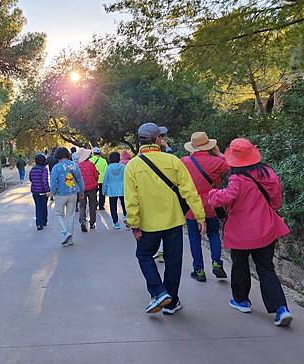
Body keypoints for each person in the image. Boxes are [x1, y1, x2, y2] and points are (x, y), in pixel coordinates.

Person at [208, 138, 293, 327]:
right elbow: (276, 202)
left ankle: (241, 300)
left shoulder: (236, 179)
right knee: (266, 268)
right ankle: (281, 309)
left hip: (241, 232)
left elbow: (225, 197)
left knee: (240, 265)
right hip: (266, 229)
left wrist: (212, 195)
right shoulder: (268, 173)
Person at [125, 122, 206, 315]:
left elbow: (131, 200)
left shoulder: (132, 166)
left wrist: (134, 224)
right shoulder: (173, 161)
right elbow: (189, 191)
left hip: (147, 224)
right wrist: (199, 215)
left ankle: (159, 291)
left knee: (144, 256)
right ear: (158, 139)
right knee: (173, 261)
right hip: (173, 221)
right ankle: (171, 302)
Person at [181, 132, 230, 282]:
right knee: (214, 234)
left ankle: (199, 270)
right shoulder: (217, 162)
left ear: (193, 147)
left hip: (192, 206)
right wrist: (220, 153)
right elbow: (231, 168)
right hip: (212, 204)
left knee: (195, 238)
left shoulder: (184, 161)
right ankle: (216, 262)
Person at [50, 147, 85, 246]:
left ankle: (65, 233)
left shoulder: (56, 167)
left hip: (60, 194)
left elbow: (53, 182)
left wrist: (52, 191)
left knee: (59, 214)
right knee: (70, 216)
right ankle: (70, 240)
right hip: (73, 193)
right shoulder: (74, 165)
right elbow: (79, 178)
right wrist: (82, 190)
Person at [77, 148, 99, 232]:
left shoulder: (78, 166)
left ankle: (82, 220)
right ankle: (92, 223)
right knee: (92, 205)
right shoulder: (91, 164)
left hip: (82, 189)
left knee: (82, 205)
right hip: (92, 188)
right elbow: (96, 176)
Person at [102, 151, 126, 230]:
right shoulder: (123, 167)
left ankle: (116, 223)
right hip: (122, 188)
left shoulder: (108, 167)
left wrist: (103, 190)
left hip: (112, 189)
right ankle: (126, 217)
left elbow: (105, 179)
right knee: (124, 204)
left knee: (113, 206)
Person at [29, 153, 50, 231]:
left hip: (35, 191)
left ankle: (39, 224)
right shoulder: (44, 169)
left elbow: (30, 179)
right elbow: (45, 181)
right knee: (44, 206)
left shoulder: (33, 169)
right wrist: (47, 189)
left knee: (38, 206)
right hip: (43, 191)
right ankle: (44, 221)